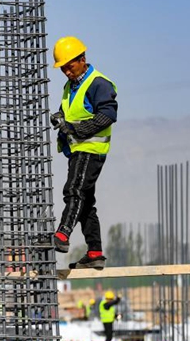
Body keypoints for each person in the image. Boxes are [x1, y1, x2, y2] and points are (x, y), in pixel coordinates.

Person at [49, 36, 117, 270]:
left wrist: (76, 129)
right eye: (63, 68)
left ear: (83, 59)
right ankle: (95, 252)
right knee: (86, 201)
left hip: (90, 148)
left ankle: (63, 235)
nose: (67, 71)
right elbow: (70, 112)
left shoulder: (98, 83)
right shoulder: (70, 86)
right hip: (77, 150)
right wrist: (60, 119)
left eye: (70, 65)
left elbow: (107, 115)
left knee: (74, 191)